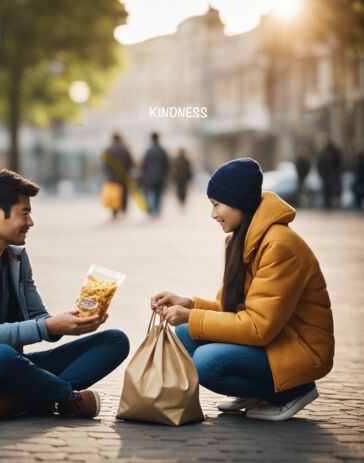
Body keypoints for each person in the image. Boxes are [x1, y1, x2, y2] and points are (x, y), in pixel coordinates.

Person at [151, 158, 334, 421]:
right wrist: (190, 304)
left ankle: (292, 391)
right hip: (275, 339)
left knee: (205, 362)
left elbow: (258, 327)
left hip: (301, 348)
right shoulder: (240, 240)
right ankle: (260, 391)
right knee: (183, 334)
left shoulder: (279, 246)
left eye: (216, 205)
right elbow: (229, 309)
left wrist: (192, 316)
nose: (213, 214)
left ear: (239, 201)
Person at [0, 169, 130, 419]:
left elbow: (39, 318)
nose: (30, 222)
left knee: (115, 341)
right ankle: (66, 396)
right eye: (24, 213)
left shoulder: (16, 256)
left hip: (16, 369)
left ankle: (21, 399)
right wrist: (46, 325)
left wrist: (73, 323)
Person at [102, 133, 134, 219]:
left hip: (112, 176)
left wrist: (107, 173)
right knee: (123, 193)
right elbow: (130, 162)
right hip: (123, 175)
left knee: (114, 193)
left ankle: (114, 210)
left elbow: (105, 164)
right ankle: (123, 209)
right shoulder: (125, 149)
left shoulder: (108, 149)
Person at [141, 132, 169, 216]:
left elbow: (144, 165)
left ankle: (151, 209)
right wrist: (165, 174)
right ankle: (157, 209)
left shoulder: (148, 151)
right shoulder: (162, 150)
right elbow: (166, 164)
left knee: (150, 193)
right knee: (158, 193)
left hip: (149, 176)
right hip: (160, 176)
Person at [316, 134, 342, 209]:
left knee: (333, 191)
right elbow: (319, 163)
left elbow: (338, 163)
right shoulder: (323, 151)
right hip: (325, 175)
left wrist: (337, 173)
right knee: (325, 191)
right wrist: (320, 173)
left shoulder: (335, 151)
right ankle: (326, 204)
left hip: (333, 175)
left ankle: (333, 204)